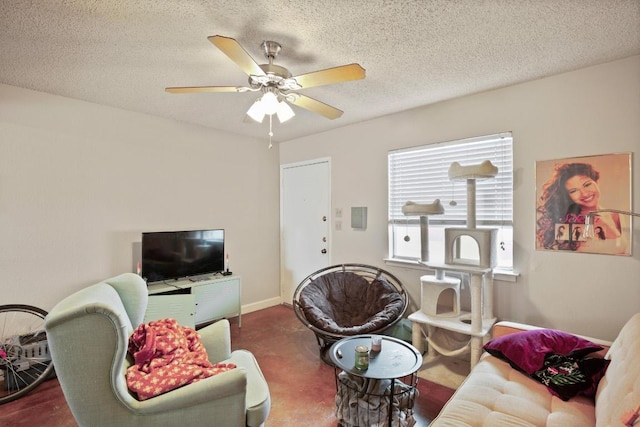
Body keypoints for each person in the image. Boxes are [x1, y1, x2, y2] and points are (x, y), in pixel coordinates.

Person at [536, 162, 622, 252]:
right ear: (568, 196)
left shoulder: (617, 215)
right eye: (573, 191)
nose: (584, 194)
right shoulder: (569, 224)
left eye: (587, 184)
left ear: (597, 182)